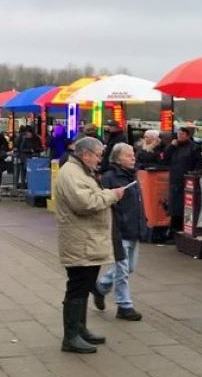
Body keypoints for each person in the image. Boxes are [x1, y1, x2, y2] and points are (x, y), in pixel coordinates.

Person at [55, 137, 125, 353]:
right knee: (77, 287)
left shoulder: (79, 171)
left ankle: (80, 330)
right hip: (80, 240)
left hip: (87, 240)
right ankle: (71, 336)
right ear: (86, 154)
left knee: (84, 286)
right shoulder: (71, 173)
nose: (100, 159)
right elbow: (85, 203)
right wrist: (111, 195)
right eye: (98, 154)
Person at [95, 143, 143, 321]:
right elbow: (104, 203)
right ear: (117, 158)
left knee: (129, 268)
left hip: (133, 228)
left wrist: (142, 224)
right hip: (118, 230)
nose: (133, 158)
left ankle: (101, 287)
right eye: (129, 156)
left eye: (133, 155)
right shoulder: (110, 177)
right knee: (122, 270)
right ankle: (124, 305)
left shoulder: (133, 176)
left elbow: (137, 204)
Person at [166, 125, 202, 233]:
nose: (179, 136)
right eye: (178, 134)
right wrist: (171, 147)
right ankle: (173, 229)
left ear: (187, 136)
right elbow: (165, 158)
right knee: (174, 207)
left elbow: (199, 164)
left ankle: (183, 228)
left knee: (185, 206)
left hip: (187, 181)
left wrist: (193, 174)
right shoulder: (174, 147)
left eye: (182, 134)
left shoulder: (194, 148)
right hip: (175, 180)